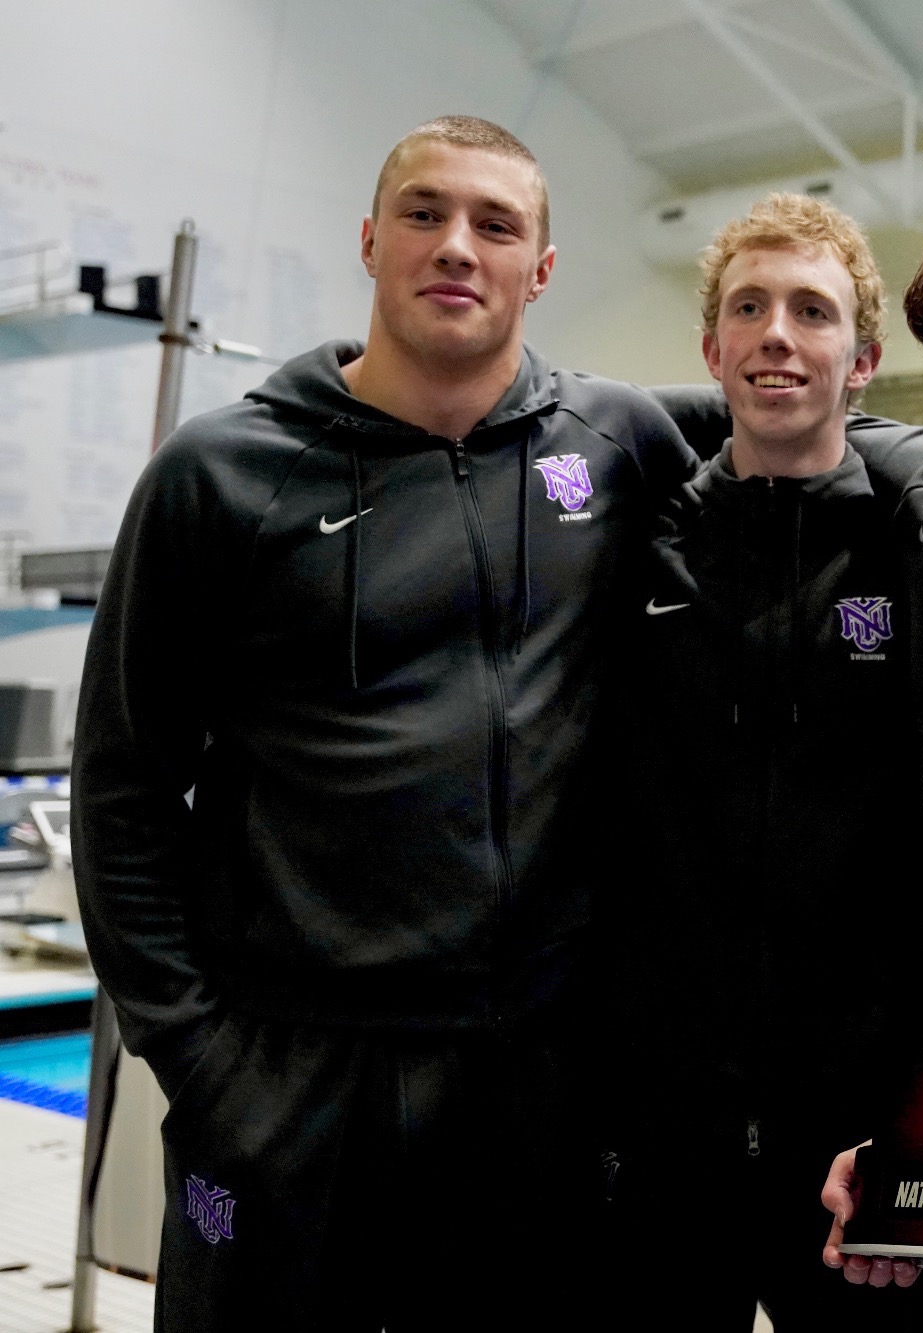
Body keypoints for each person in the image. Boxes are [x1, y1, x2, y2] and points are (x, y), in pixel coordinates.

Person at [73, 117, 697, 1330]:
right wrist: (198, 1062)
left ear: (541, 269)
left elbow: (801, 447)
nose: (456, 246)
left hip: (531, 1075)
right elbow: (121, 789)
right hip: (286, 1071)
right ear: (370, 240)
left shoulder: (616, 444)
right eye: (424, 214)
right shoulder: (221, 476)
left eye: (494, 224)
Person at [610, 193, 923, 1329]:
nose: (777, 334)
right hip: (661, 1119)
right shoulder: (636, 537)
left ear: (862, 360)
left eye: (811, 310)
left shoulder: (919, 541)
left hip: (852, 1128)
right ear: (712, 348)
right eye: (748, 307)